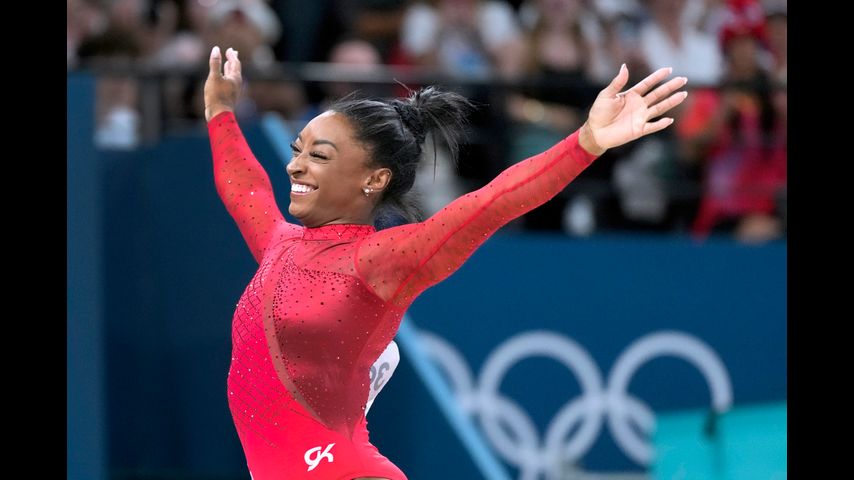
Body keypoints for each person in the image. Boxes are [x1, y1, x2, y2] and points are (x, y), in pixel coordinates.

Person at [204, 44, 687, 480]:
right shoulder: (279, 243)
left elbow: (491, 203)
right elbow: (244, 186)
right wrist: (220, 110)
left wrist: (586, 142)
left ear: (373, 179)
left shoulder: (381, 261)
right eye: (297, 151)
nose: (295, 165)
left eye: (319, 156)